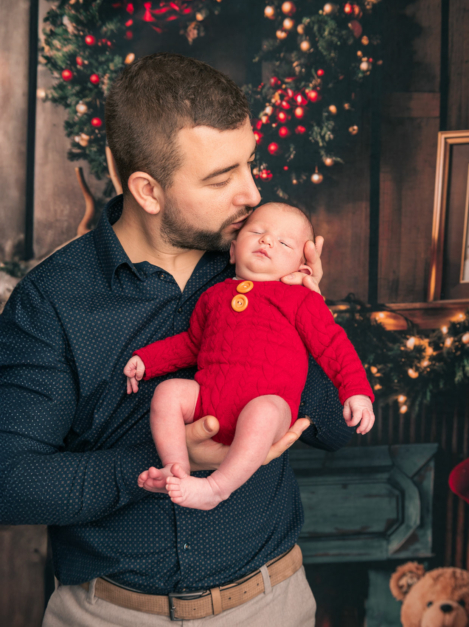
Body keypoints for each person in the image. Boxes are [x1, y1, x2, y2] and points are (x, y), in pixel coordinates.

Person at [0, 53, 355, 626]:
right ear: (148, 190)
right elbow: (9, 481)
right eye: (222, 177)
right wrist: (166, 460)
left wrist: (303, 314)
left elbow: (339, 430)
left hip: (268, 603)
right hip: (109, 613)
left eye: (249, 163)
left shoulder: (263, 258)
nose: (251, 192)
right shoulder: (53, 299)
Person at [124, 202, 375, 511]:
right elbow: (192, 343)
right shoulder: (214, 295)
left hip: (267, 409)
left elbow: (332, 345)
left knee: (265, 411)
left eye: (283, 243)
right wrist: (148, 361)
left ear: (303, 268)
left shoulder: (301, 299)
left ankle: (216, 487)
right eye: (257, 232)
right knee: (168, 393)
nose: (267, 240)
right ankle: (176, 468)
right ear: (232, 251)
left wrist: (357, 392)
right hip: (209, 401)